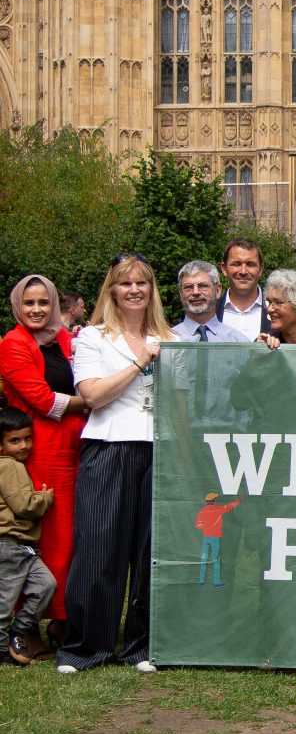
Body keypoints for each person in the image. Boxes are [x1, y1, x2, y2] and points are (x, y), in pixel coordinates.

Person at [57, 254, 175, 673]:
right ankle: (86, 647)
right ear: (112, 291)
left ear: (151, 290)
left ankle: (142, 647)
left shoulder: (170, 336)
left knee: (148, 552)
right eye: (125, 284)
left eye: (142, 283)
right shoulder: (91, 337)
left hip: (158, 449)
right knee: (98, 548)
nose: (134, 290)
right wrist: (142, 360)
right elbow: (93, 396)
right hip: (107, 447)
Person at [0, 274, 89, 648]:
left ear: (55, 305)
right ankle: (28, 623)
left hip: (74, 446)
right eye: (29, 303)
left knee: (69, 537)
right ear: (17, 306)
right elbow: (43, 400)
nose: (37, 310)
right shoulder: (12, 344)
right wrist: (95, 398)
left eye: (43, 303)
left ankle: (61, 619)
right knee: (40, 536)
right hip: (38, 450)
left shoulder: (66, 339)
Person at [0, 406, 56, 665]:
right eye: (14, 440)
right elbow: (25, 506)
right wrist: (44, 497)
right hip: (9, 544)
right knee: (5, 599)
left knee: (46, 585)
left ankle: (19, 631)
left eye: (27, 438)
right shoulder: (9, 466)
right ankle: (3, 651)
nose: (23, 446)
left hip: (25, 548)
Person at [172, 261, 246, 341]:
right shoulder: (166, 341)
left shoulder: (238, 341)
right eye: (188, 287)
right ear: (180, 293)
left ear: (217, 290)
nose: (195, 292)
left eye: (203, 286)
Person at [216, 238, 270, 340]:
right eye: (237, 264)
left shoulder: (276, 312)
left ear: (261, 269)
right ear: (224, 268)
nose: (243, 271)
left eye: (250, 264)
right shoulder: (211, 311)